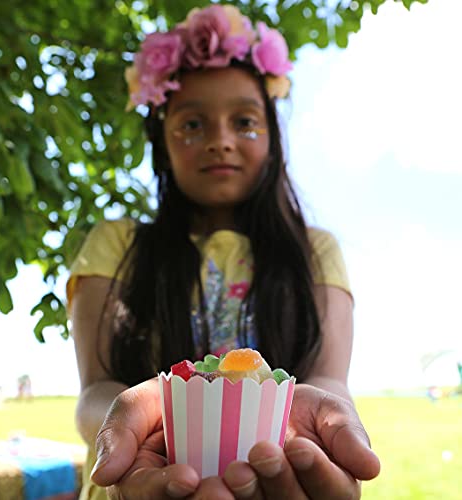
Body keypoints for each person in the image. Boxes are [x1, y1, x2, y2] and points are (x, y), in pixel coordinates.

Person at [67, 4, 381, 499]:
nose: (220, 141)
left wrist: (322, 425)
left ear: (274, 139)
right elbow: (95, 391)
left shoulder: (315, 251)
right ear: (162, 141)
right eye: (192, 124)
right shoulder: (116, 244)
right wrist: (129, 427)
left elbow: (328, 379)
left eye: (245, 122)